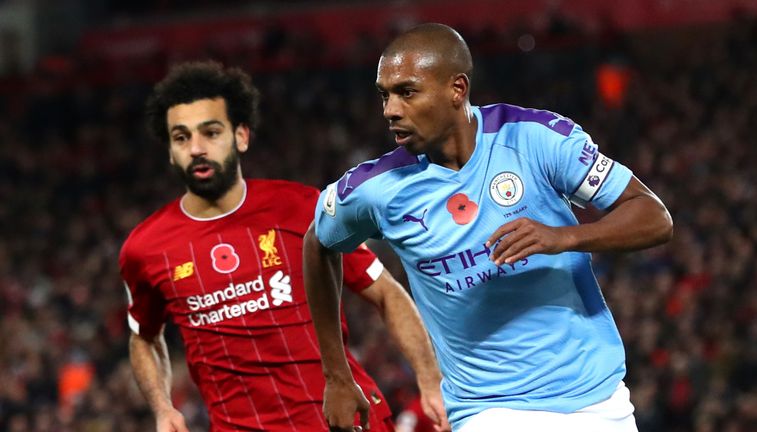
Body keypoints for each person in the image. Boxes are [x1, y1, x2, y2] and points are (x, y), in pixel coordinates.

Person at [303, 23, 674, 432]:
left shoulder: (535, 139)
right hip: (488, 409)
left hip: (596, 399)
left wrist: (564, 237)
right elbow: (318, 244)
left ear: (456, 89)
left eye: (406, 92)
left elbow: (653, 216)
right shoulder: (374, 189)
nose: (390, 110)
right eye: (384, 95)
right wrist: (336, 375)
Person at [119, 61, 449, 432]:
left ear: (241, 136)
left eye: (211, 132)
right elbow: (144, 338)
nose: (196, 148)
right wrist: (162, 408)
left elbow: (387, 293)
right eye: (181, 138)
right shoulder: (145, 249)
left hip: (347, 421)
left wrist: (430, 381)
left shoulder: (302, 207)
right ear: (170, 150)